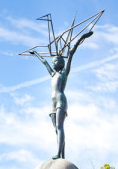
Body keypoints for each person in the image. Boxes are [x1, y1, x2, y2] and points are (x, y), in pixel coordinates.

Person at [27, 28, 94, 159]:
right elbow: (45, 63)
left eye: (56, 61)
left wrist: (81, 38)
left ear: (61, 63)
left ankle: (59, 154)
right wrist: (36, 54)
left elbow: (72, 53)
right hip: (52, 103)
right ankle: (61, 155)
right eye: (53, 62)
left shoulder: (64, 73)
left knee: (60, 126)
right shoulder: (53, 74)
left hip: (61, 101)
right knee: (56, 130)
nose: (53, 63)